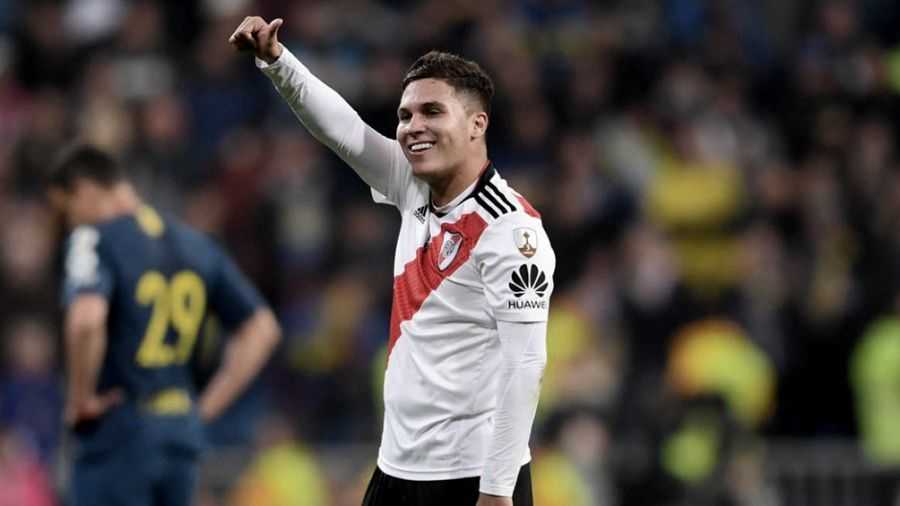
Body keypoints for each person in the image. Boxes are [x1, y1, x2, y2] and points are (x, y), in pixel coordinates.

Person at [230, 16, 555, 506]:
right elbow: (344, 131)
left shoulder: (511, 231)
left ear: (477, 124)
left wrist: (497, 488)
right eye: (405, 116)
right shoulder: (412, 187)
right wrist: (277, 61)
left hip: (470, 477)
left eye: (432, 111)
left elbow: (525, 363)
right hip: (396, 467)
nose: (413, 127)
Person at [48, 145, 281, 506]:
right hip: (179, 436)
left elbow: (86, 319)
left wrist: (81, 399)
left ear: (84, 190)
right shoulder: (196, 244)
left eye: (67, 211)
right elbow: (262, 329)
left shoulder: (92, 238)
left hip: (119, 431)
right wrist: (202, 410)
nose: (69, 224)